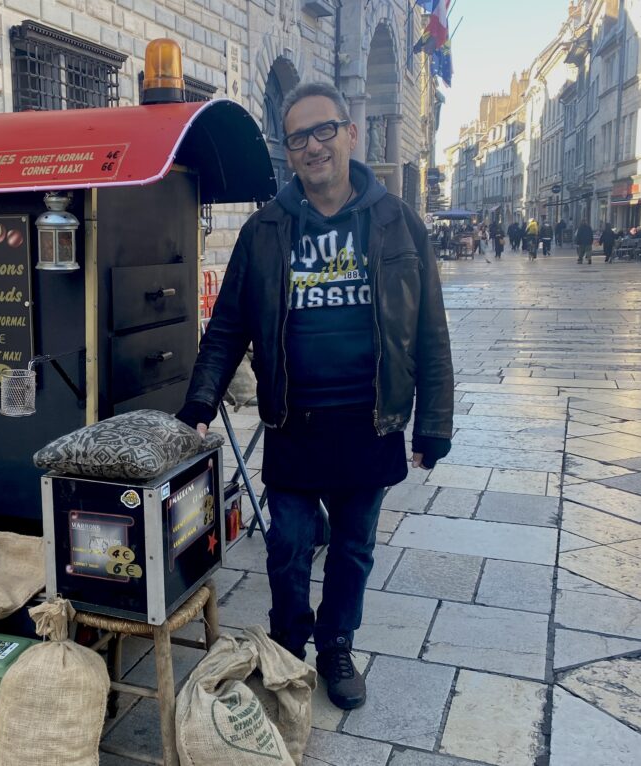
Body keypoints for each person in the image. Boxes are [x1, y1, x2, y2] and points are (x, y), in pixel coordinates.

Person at [175, 82, 454, 711]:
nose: (313, 146)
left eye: (324, 130)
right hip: (295, 422)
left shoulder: (398, 223)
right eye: (298, 136)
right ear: (289, 149)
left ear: (349, 134)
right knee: (288, 545)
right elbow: (228, 326)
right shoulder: (265, 229)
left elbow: (429, 329)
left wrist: (434, 424)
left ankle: (336, 646)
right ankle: (287, 644)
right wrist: (199, 404)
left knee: (353, 548)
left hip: (369, 422)